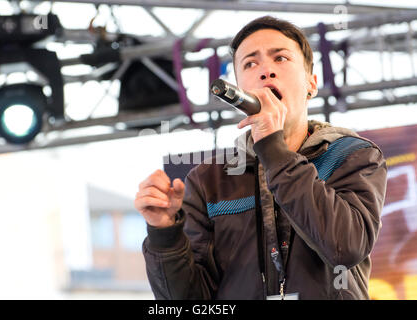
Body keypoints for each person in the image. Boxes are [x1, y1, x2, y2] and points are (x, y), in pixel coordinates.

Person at [134, 15, 387, 300]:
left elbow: (345, 247)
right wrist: (164, 233)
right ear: (240, 87)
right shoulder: (209, 179)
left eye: (280, 58)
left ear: (311, 84)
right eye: (250, 64)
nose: (265, 70)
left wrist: (272, 148)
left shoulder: (352, 155)